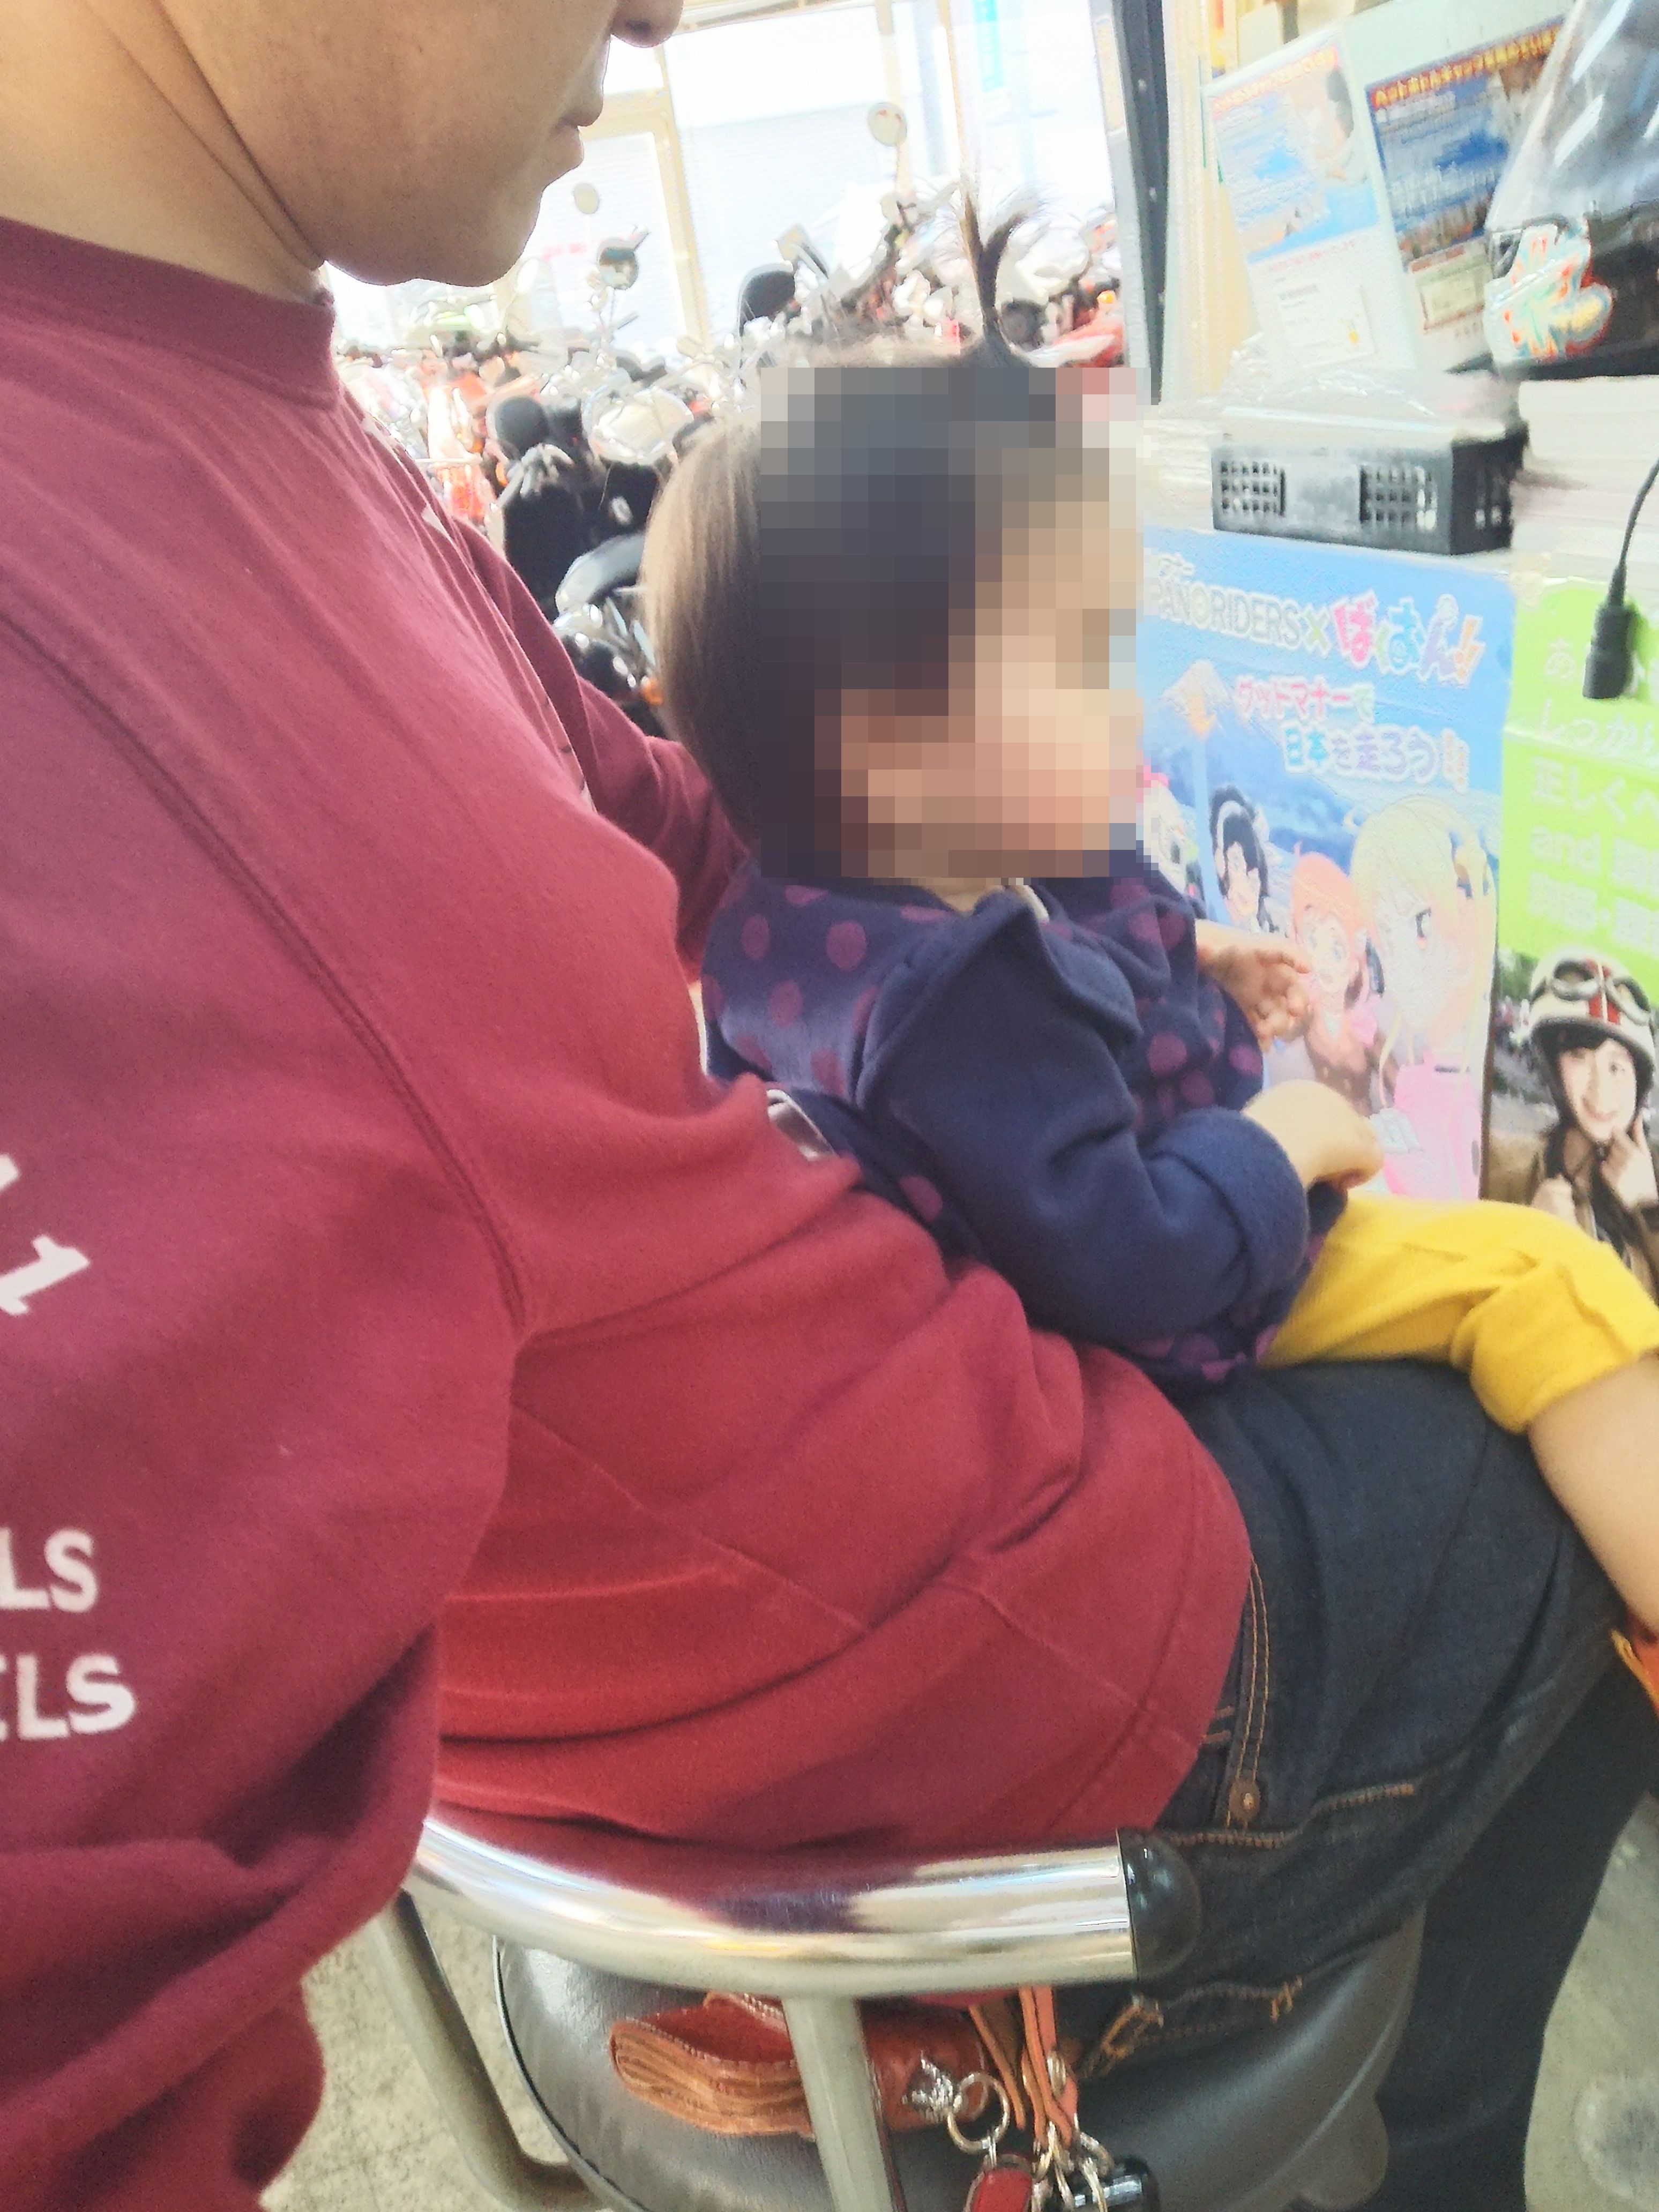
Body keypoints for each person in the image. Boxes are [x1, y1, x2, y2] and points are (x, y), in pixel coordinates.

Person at [0, 16, 1653, 2212]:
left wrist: (1140, 943)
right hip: (1011, 1652)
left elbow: (690, 834)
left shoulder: (260, 398)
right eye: (1076, 658)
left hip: (874, 1537)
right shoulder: (67, 617)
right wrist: (1266, 1141)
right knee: (1560, 1385)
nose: (663, 12)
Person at [653, 213, 1659, 1664]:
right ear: (890, 743)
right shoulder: (951, 1010)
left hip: (1113, 1257)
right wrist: (1280, 1143)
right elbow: (1120, 1256)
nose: (1127, 706)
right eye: (1078, 660)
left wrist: (1201, 954)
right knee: (1547, 1283)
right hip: (1173, 1308)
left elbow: (1076, 924)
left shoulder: (851, 895)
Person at [1350, 793, 1497, 1200]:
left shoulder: (1476, 1091)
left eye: (1420, 922)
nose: (1398, 958)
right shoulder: (1424, 1075)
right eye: (1386, 931)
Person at [1488, 948, 1659, 1296]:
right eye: (1579, 1057)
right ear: (1553, 1068)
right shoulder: (1502, 1167)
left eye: (1617, 1067)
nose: (1601, 1089)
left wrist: (1648, 1208)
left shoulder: (1654, 1175)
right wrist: (1529, 1243)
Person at [1284, 849, 1392, 1114]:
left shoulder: (1365, 1030)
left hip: (1361, 1130)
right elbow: (1276, 1036)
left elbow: (1399, 1084)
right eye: (1313, 942)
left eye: (1335, 949)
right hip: (1324, 1128)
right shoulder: (1308, 1015)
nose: (1324, 962)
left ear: (1355, 960)